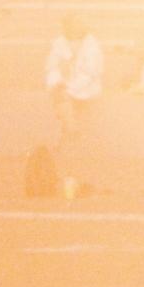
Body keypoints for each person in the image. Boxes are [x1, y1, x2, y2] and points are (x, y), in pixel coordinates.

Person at [44, 11, 104, 183]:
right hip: (65, 87)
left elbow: (93, 72)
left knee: (62, 97)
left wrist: (70, 87)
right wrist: (57, 82)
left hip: (86, 88)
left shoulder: (93, 45)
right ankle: (71, 129)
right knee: (60, 94)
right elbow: (51, 67)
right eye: (73, 23)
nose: (77, 26)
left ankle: (69, 129)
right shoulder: (58, 44)